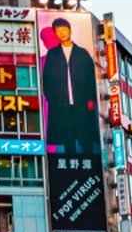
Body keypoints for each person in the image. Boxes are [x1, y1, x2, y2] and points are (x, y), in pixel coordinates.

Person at [41, 17, 98, 155]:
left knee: (85, 134)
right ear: (55, 34)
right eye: (58, 31)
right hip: (61, 103)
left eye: (64, 30)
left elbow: (91, 78)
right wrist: (52, 99)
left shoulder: (82, 53)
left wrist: (91, 99)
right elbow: (46, 79)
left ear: (70, 31)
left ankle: (89, 159)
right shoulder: (52, 54)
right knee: (67, 136)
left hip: (82, 101)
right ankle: (69, 160)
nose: (62, 33)